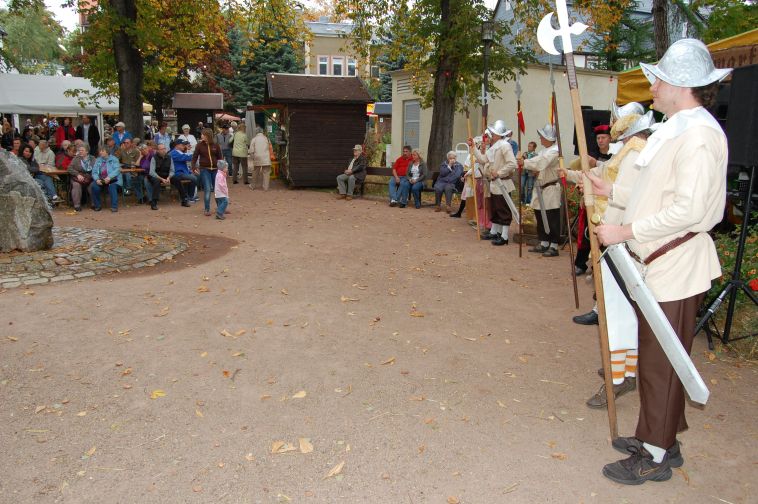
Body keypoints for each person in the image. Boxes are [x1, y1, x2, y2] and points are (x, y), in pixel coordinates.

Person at [590, 38, 731, 485]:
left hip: (676, 262)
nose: (652, 86)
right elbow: (657, 191)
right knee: (658, 358)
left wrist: (624, 232)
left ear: (683, 86)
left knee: (662, 362)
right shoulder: (677, 127)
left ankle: (654, 453)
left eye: (660, 79)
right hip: (661, 261)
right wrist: (613, 191)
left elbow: (690, 210)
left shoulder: (699, 136)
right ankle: (663, 439)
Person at [563, 105, 654, 409]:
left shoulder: (635, 152)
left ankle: (619, 377)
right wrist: (581, 176)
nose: (612, 125)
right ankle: (623, 370)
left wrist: (608, 225)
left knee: (617, 312)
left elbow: (626, 196)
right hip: (618, 239)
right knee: (621, 311)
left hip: (622, 242)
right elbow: (602, 176)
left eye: (616, 120)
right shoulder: (628, 151)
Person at [574, 124, 614, 275]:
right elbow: (583, 175)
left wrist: (595, 163)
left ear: (610, 139)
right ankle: (580, 263)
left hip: (608, 203)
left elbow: (608, 171)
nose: (600, 141)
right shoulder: (592, 155)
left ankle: (599, 266)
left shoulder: (613, 156)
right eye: (598, 138)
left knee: (603, 235)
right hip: (591, 201)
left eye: (603, 137)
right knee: (586, 232)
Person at [471, 120, 518, 246]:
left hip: (502, 183)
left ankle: (504, 236)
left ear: (498, 134)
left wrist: (499, 173)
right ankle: (494, 231)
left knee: (503, 209)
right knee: (495, 208)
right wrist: (473, 147)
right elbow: (483, 159)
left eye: (493, 132)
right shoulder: (494, 146)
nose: (491, 134)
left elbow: (512, 163)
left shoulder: (505, 145)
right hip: (494, 183)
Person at [519, 124, 561, 256]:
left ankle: (554, 245)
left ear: (548, 138)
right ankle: (544, 242)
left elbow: (541, 162)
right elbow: (537, 162)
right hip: (540, 187)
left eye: (542, 136)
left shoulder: (555, 151)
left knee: (551, 217)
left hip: (550, 187)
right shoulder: (544, 151)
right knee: (540, 215)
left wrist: (525, 162)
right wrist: (527, 163)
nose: (540, 138)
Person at [451, 136, 492, 235]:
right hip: (476, 180)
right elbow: (472, 166)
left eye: (484, 144)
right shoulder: (474, 155)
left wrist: (468, 173)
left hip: (483, 180)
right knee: (478, 202)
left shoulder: (487, 154)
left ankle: (486, 223)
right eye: (481, 144)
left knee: (485, 203)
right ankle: (479, 221)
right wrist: (466, 174)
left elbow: (477, 166)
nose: (482, 146)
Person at [192, 128, 223, 216]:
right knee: (207, 189)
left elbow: (220, 158)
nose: (201, 136)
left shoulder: (216, 145)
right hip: (204, 169)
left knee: (217, 189)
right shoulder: (199, 145)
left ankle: (220, 208)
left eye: (203, 134)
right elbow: (195, 157)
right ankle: (207, 209)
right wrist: (193, 167)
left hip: (215, 169)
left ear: (208, 136)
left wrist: (222, 169)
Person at [148, 143, 189, 210]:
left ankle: (184, 200)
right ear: (158, 150)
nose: (163, 150)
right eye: (161, 149)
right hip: (157, 176)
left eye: (164, 148)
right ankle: (154, 203)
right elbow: (152, 172)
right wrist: (161, 179)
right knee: (156, 182)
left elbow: (172, 170)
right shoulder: (154, 158)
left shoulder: (169, 157)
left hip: (167, 176)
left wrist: (169, 177)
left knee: (177, 179)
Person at [91, 147, 122, 212]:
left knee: (112, 186)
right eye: (100, 151)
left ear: (107, 152)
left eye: (102, 151)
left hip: (114, 179)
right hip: (101, 180)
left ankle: (114, 206)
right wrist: (97, 179)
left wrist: (109, 177)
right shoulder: (98, 160)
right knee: (94, 186)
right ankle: (97, 206)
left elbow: (117, 170)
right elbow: (94, 172)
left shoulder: (114, 159)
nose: (100, 152)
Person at [117, 137, 145, 203]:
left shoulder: (136, 151)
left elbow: (138, 163)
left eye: (127, 143)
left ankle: (129, 189)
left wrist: (133, 165)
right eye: (124, 143)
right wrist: (119, 166)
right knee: (123, 176)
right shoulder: (122, 151)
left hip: (134, 170)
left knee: (131, 178)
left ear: (131, 143)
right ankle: (128, 190)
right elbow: (117, 160)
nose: (126, 144)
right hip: (124, 169)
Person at [67, 145, 95, 211]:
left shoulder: (92, 158)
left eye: (82, 150)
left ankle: (94, 204)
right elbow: (69, 168)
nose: (80, 152)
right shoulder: (76, 158)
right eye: (79, 150)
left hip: (89, 178)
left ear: (87, 151)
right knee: (76, 185)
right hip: (77, 178)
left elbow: (96, 169)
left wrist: (89, 176)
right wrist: (77, 175)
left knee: (93, 185)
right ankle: (77, 205)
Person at [248, 126, 274, 191]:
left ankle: (253, 186)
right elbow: (270, 148)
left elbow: (251, 151)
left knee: (255, 172)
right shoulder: (266, 138)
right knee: (266, 172)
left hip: (257, 157)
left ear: (256, 132)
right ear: (262, 132)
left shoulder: (254, 139)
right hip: (266, 158)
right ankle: (266, 187)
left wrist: (252, 158)